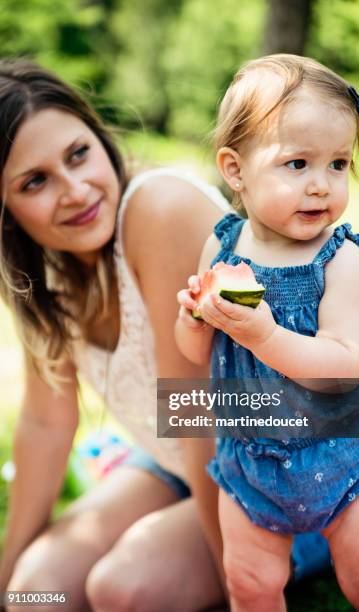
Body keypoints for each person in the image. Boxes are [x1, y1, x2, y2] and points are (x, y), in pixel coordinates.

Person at [176, 54, 359, 611]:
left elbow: (342, 365)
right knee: (251, 586)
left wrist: (262, 336)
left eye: (338, 164)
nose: (321, 186)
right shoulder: (222, 248)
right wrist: (192, 318)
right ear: (235, 170)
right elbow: (195, 352)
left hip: (344, 450)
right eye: (298, 163)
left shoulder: (340, 258)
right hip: (253, 452)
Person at [0, 58, 230, 612]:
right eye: (36, 181)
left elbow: (197, 414)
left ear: (99, 139)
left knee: (125, 589)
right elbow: (44, 423)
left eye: (78, 154)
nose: (76, 191)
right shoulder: (45, 270)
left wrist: (241, 584)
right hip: (175, 465)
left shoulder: (157, 210)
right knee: (34, 595)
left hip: (289, 461)